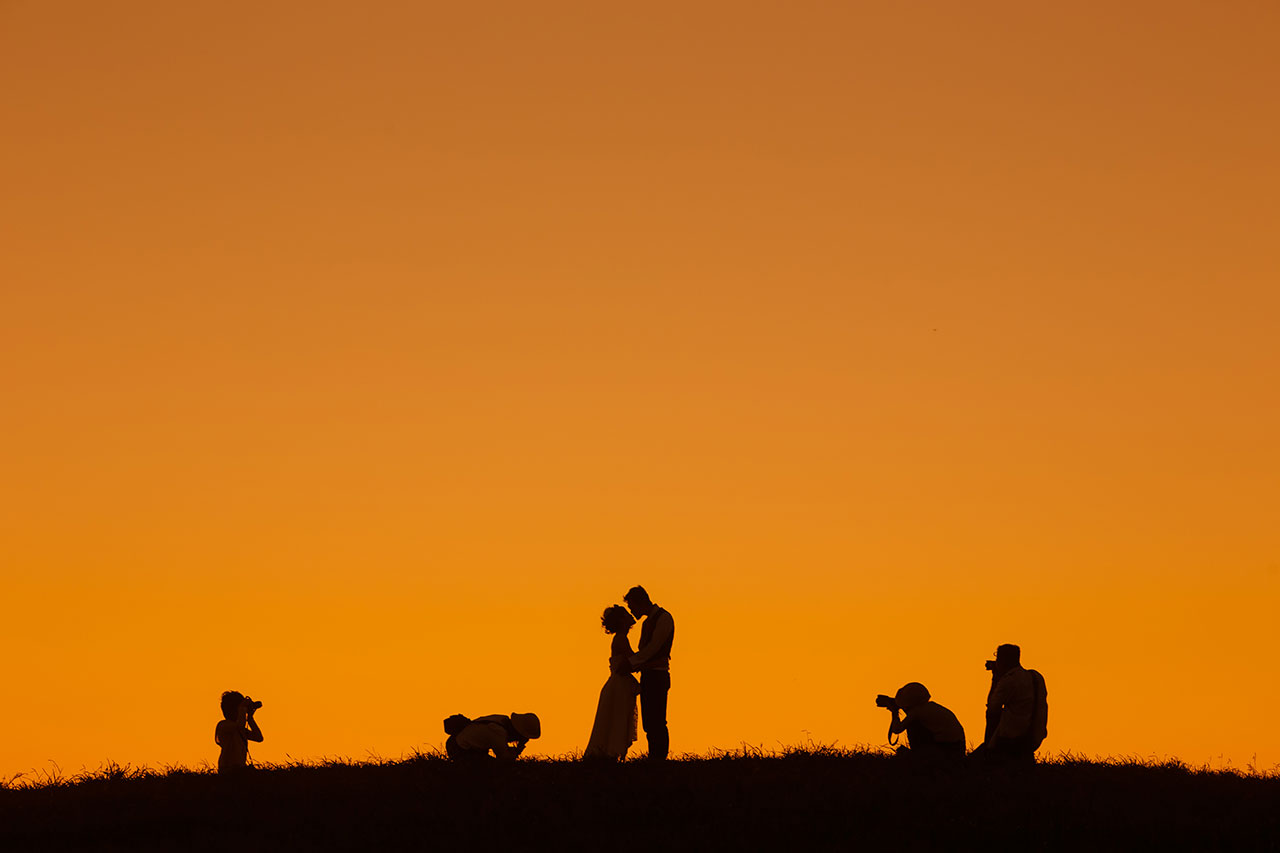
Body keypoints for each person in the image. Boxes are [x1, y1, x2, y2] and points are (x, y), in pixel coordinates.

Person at [584, 605, 641, 760]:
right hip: (619, 687)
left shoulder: (621, 638)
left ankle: (610, 754)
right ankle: (611, 753)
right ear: (621, 621)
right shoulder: (621, 639)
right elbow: (634, 660)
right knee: (617, 719)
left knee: (615, 719)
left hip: (619, 686)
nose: (630, 616)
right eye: (626, 614)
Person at [624, 586, 675, 761]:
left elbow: (653, 648)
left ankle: (659, 757)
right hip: (647, 675)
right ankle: (654, 755)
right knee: (649, 721)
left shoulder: (664, 618)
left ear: (640, 602)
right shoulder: (647, 623)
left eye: (632, 607)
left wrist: (631, 663)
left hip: (658, 676)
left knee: (658, 720)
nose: (632, 611)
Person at [978, 644, 1048, 766]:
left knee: (973, 762)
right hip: (1035, 735)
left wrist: (995, 678)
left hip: (1012, 739)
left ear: (1002, 661)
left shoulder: (1009, 680)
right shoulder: (1036, 677)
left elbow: (992, 707)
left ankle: (989, 754)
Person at [879, 682, 965, 762]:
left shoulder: (917, 712)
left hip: (946, 751)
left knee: (913, 725)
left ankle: (919, 756)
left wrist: (894, 712)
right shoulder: (931, 707)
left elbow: (897, 729)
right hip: (956, 748)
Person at [445, 713, 541, 761]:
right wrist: (518, 749)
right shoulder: (499, 732)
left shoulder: (502, 720)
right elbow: (505, 759)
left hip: (464, 745)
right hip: (459, 749)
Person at [215, 690, 264, 774]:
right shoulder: (223, 725)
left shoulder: (239, 729)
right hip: (227, 768)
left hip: (240, 768)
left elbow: (258, 737)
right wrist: (242, 708)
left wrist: (250, 718)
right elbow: (240, 725)